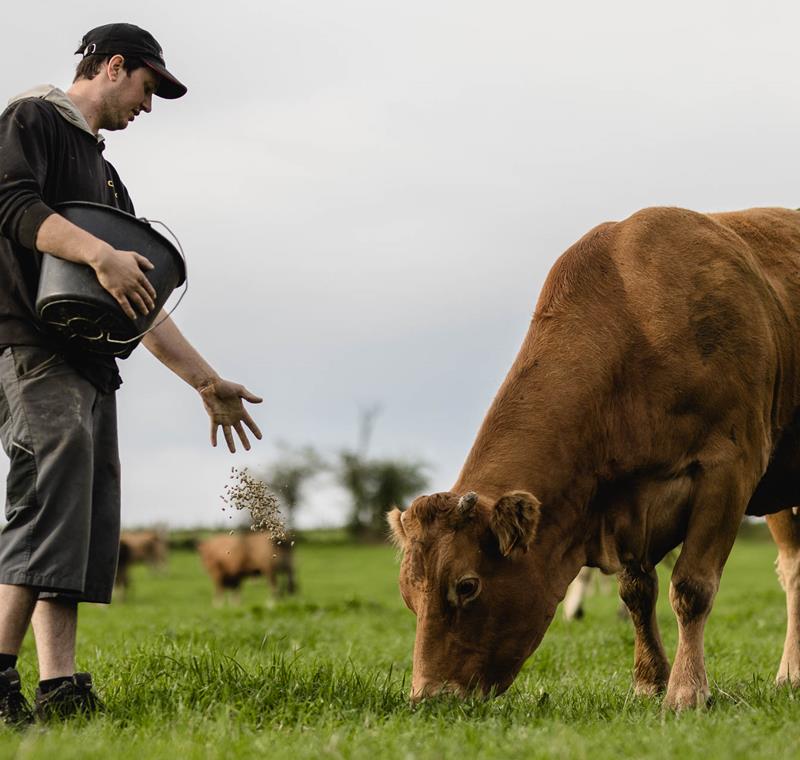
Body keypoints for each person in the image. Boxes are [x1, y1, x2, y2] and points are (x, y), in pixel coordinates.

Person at [0, 23, 263, 726]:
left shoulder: (107, 176)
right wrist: (98, 253)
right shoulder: (33, 118)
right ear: (114, 67)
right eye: (149, 87)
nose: (149, 105)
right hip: (30, 345)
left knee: (80, 524)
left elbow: (138, 304)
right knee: (47, 502)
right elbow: (12, 206)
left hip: (90, 362)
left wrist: (206, 381)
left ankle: (59, 688)